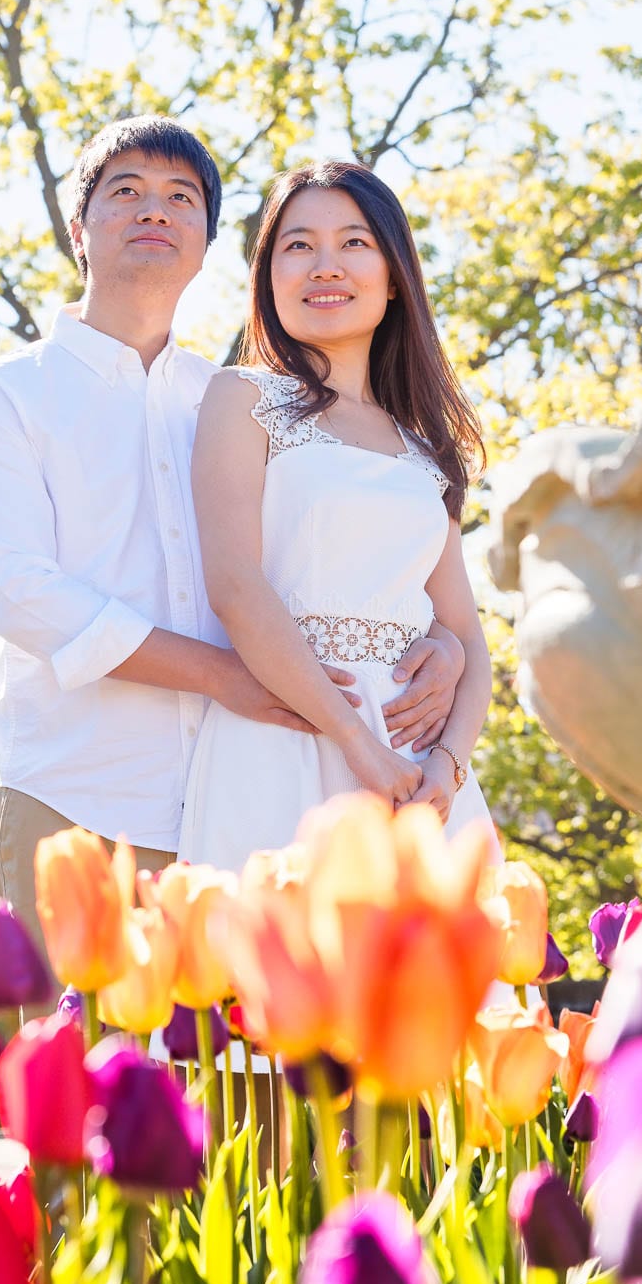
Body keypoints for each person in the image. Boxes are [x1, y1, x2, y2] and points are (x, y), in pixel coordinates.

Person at [0, 121, 464, 978]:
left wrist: (439, 639)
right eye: (127, 192)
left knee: (244, 1087)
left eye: (182, 197)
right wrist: (226, 675)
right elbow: (25, 595)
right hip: (80, 794)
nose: (156, 210)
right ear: (80, 228)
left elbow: (332, 554)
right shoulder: (6, 396)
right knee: (81, 1082)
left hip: (250, 792)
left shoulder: (242, 403)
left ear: (208, 245)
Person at [179, 160, 498, 871]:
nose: (325, 265)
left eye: (354, 243)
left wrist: (445, 768)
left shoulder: (425, 448)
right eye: (298, 246)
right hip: (287, 740)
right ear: (269, 278)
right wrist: (359, 747)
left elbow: (468, 638)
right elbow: (233, 584)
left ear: (393, 275)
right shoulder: (243, 398)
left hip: (424, 781)